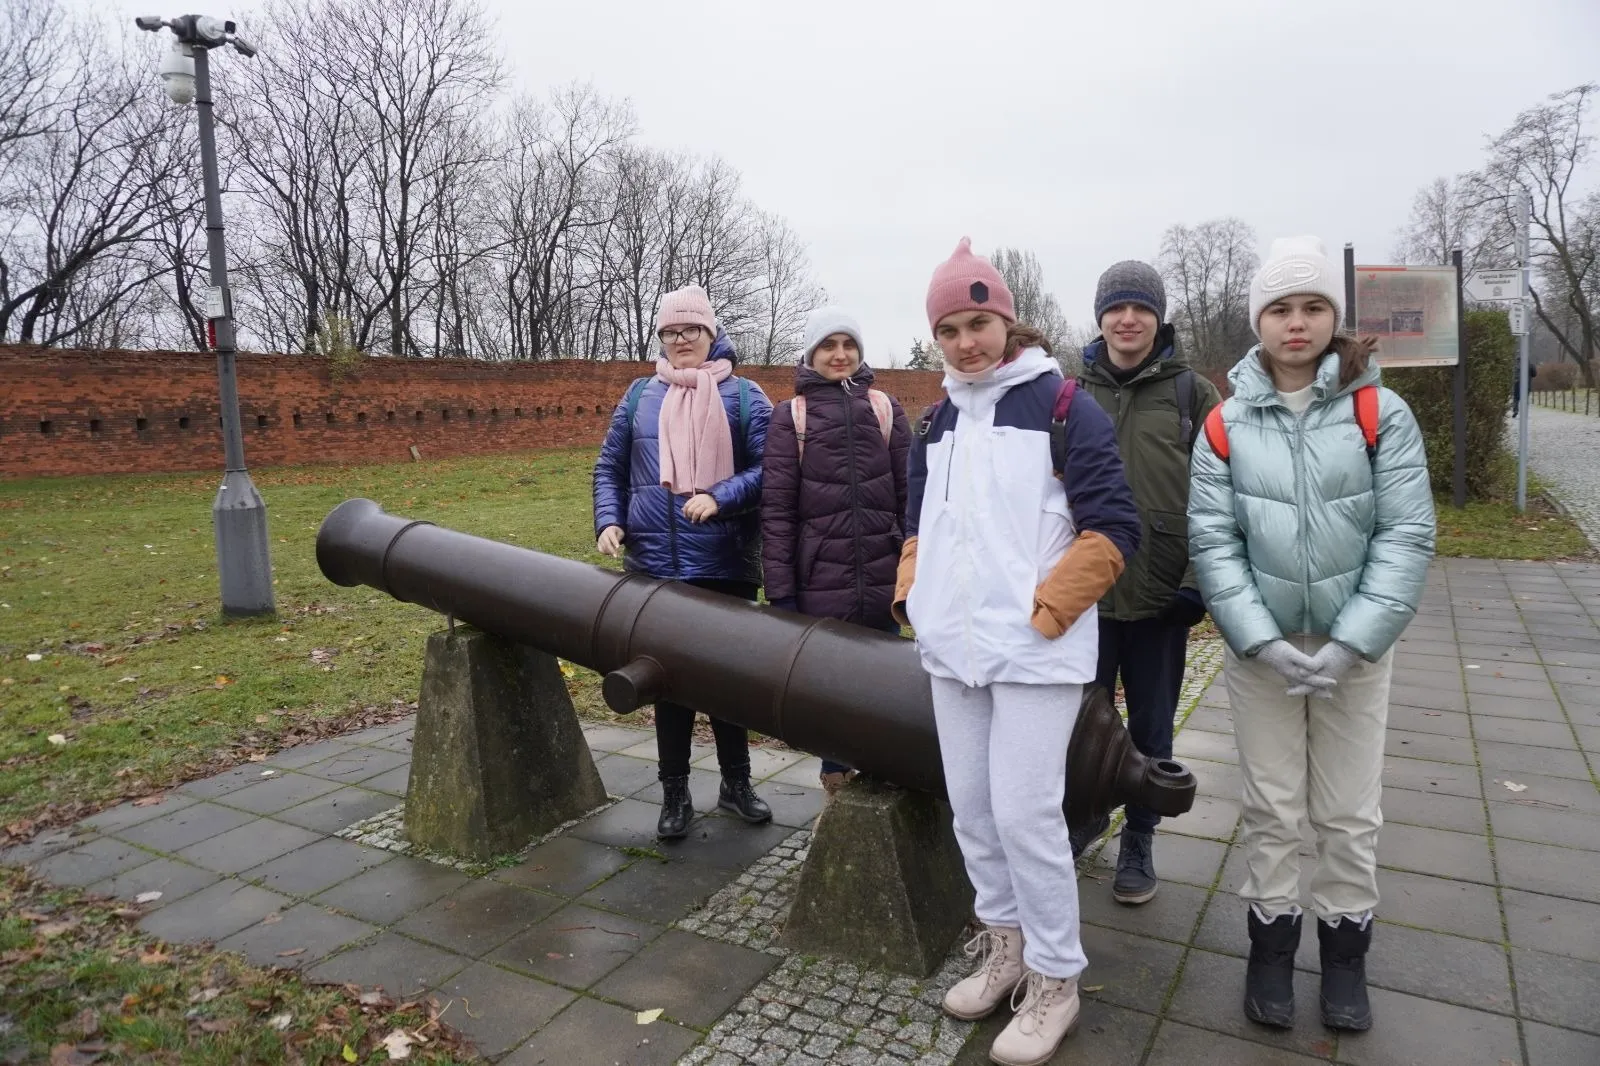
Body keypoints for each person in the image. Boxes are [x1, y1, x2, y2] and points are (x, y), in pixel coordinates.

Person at [896, 239, 1141, 1065]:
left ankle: (1056, 979)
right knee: (971, 807)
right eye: (950, 330)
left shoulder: (1063, 406)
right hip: (953, 655)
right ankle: (1004, 947)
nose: (967, 343)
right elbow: (918, 527)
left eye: (980, 323)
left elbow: (1113, 531)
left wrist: (1042, 618)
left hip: (1036, 654)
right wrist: (913, 600)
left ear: (1006, 321)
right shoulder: (934, 423)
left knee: (1028, 816)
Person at [1189, 236, 1435, 1033]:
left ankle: (1344, 955)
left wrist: (1355, 639)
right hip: (1263, 655)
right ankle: (1269, 948)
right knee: (1271, 807)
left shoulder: (1379, 412)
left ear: (1335, 318)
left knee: (1348, 811)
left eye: (1313, 307)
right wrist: (1258, 639)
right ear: (1259, 320)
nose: (1296, 324)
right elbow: (1214, 542)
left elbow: (1405, 536)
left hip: (1353, 653)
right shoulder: (1225, 424)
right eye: (1280, 309)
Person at [593, 283, 775, 840]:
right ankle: (675, 793)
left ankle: (736, 783)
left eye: (690, 330)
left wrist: (722, 495)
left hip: (722, 561)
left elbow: (772, 471)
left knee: (726, 685)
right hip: (654, 565)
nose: (680, 340)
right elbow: (610, 466)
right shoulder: (640, 395)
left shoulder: (745, 397)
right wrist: (609, 519)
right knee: (665, 686)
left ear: (710, 334)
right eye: (670, 332)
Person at [1072, 261, 1221, 905]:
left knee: (1153, 731)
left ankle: (1140, 839)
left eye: (1140, 308)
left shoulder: (1194, 394)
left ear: (1158, 317)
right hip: (1085, 599)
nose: (1127, 319)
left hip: (1162, 596)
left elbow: (1222, 497)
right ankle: (1085, 819)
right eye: (1116, 308)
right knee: (1082, 722)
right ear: (1100, 316)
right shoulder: (1068, 392)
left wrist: (1196, 583)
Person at [760, 306, 911, 796]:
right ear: (811, 354)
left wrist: (913, 570)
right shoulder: (791, 417)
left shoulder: (886, 410)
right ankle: (837, 784)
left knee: (885, 684)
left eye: (848, 345)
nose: (840, 354)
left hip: (883, 574)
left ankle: (885, 773)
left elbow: (912, 498)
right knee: (831, 691)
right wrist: (781, 594)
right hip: (820, 578)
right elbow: (778, 511)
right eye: (828, 345)